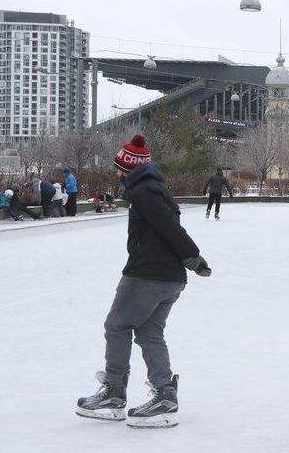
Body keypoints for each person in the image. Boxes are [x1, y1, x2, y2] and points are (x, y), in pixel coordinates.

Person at [76, 134, 211, 429]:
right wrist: (189, 261)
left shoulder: (144, 191)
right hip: (170, 277)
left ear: (128, 168)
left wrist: (193, 257)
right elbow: (169, 224)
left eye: (118, 168)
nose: (115, 173)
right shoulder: (155, 187)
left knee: (117, 325)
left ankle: (113, 391)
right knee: (149, 332)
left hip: (147, 274)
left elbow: (167, 225)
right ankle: (164, 394)